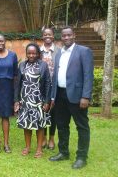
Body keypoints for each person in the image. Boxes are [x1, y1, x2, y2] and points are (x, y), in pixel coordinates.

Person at [49, 27, 94, 169]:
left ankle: (81, 157)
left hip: (77, 96)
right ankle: (63, 152)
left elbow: (88, 75)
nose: (66, 37)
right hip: (60, 95)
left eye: (69, 35)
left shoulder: (83, 51)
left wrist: (86, 96)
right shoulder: (58, 54)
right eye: (64, 35)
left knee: (82, 126)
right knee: (62, 125)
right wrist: (53, 96)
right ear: (60, 37)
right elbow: (56, 76)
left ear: (74, 35)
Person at [14, 43, 51, 158]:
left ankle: (39, 149)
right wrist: (16, 100)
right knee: (26, 125)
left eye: (34, 53)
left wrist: (47, 101)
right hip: (25, 100)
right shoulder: (22, 65)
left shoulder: (43, 65)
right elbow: (17, 84)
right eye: (29, 53)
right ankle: (28, 147)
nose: (31, 55)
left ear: (38, 54)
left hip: (38, 100)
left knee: (40, 125)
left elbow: (47, 84)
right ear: (26, 54)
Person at [40, 27, 60, 150]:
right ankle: (43, 137)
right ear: (42, 36)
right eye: (45, 34)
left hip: (55, 85)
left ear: (53, 36)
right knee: (42, 111)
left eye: (50, 34)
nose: (47, 36)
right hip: (41, 86)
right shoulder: (39, 50)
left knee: (53, 112)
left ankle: (52, 137)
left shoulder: (59, 51)